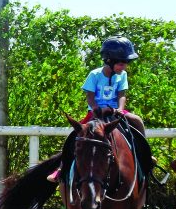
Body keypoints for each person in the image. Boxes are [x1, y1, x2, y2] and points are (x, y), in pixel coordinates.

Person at [48, 35, 146, 182]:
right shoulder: (94, 75)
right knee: (74, 135)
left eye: (126, 63)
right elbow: (90, 96)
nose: (124, 67)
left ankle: (144, 156)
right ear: (109, 61)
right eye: (121, 63)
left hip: (114, 111)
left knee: (137, 120)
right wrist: (96, 109)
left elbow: (122, 94)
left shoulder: (122, 75)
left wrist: (120, 108)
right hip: (95, 112)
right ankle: (62, 168)